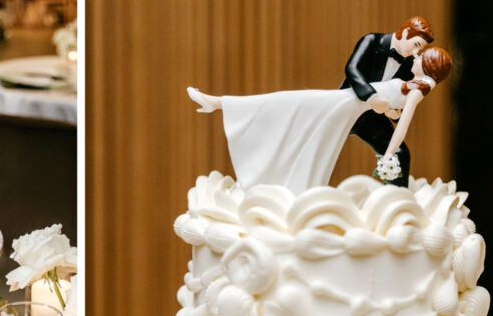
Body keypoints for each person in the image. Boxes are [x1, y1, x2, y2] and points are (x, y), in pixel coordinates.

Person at [187, 46, 452, 194]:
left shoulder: (417, 90)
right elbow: (395, 110)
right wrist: (389, 110)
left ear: (428, 64)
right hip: (345, 103)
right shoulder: (417, 86)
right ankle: (220, 103)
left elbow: (402, 124)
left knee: (293, 109)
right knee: (292, 106)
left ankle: (221, 104)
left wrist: (391, 153)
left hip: (345, 106)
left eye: (419, 57)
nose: (414, 58)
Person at [341, 16, 435, 182]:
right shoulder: (371, 41)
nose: (416, 53)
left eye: (420, 50)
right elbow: (352, 69)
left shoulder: (409, 64)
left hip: (372, 117)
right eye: (416, 45)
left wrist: (395, 114)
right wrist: (371, 97)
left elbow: (402, 98)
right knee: (323, 148)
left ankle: (396, 200)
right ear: (406, 32)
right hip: (347, 108)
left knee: (400, 155)